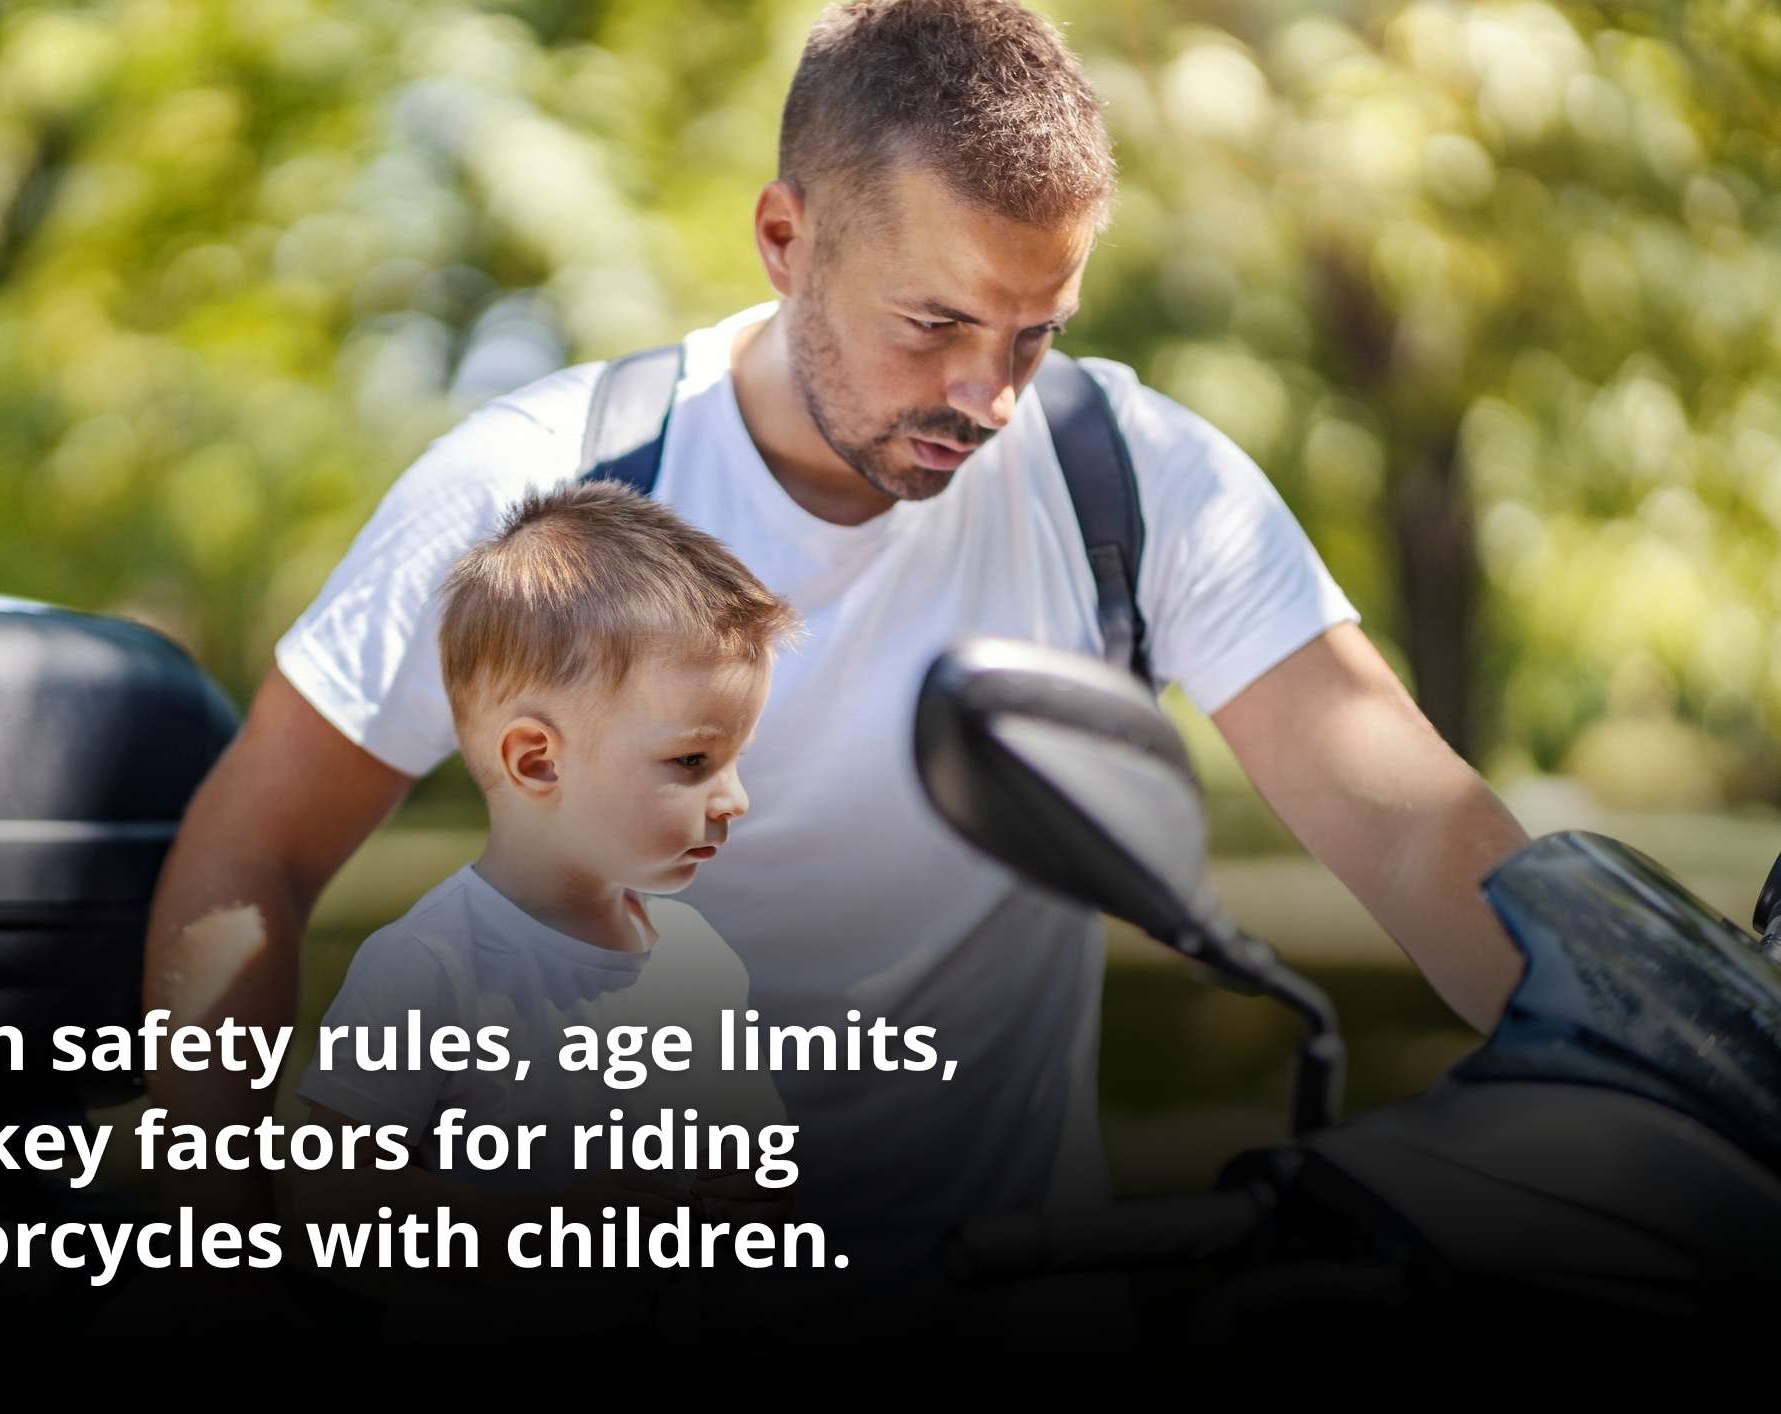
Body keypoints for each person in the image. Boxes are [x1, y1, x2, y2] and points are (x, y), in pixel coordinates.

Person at [146, 0, 1529, 1285]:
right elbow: (254, 848)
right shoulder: (536, 493)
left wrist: (1623, 1044)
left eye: (1033, 334)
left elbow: (1415, 832)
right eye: (935, 323)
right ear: (784, 237)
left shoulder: (1136, 482)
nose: (988, 396)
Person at [281, 481, 800, 1335]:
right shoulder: (434, 965)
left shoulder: (697, 958)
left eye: (736, 758)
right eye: (693, 761)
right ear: (537, 761)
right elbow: (331, 1203)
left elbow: (752, 1154)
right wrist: (531, 1228)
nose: (734, 799)